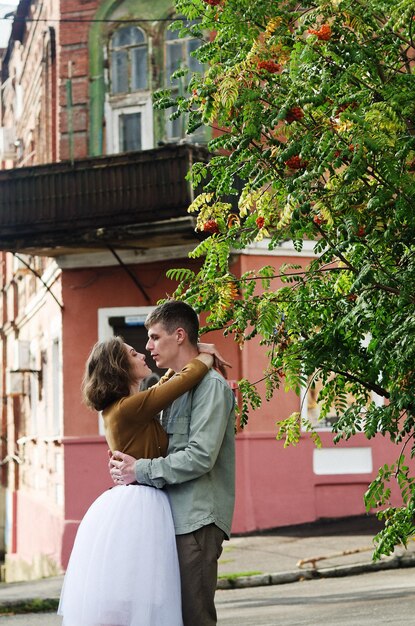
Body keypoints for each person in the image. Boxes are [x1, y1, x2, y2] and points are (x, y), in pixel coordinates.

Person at [58, 335, 219, 626]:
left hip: (140, 499)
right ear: (120, 367)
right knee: (138, 596)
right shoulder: (129, 408)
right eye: (133, 353)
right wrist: (205, 356)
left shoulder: (127, 406)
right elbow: (181, 383)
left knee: (140, 596)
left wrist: (178, 366)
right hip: (141, 504)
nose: (142, 354)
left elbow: (161, 387)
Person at [109, 300, 236, 626]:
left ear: (179, 335)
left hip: (195, 522)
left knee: (194, 618)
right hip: (167, 520)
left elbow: (200, 457)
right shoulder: (172, 385)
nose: (147, 346)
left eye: (154, 337)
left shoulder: (211, 387)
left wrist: (140, 469)